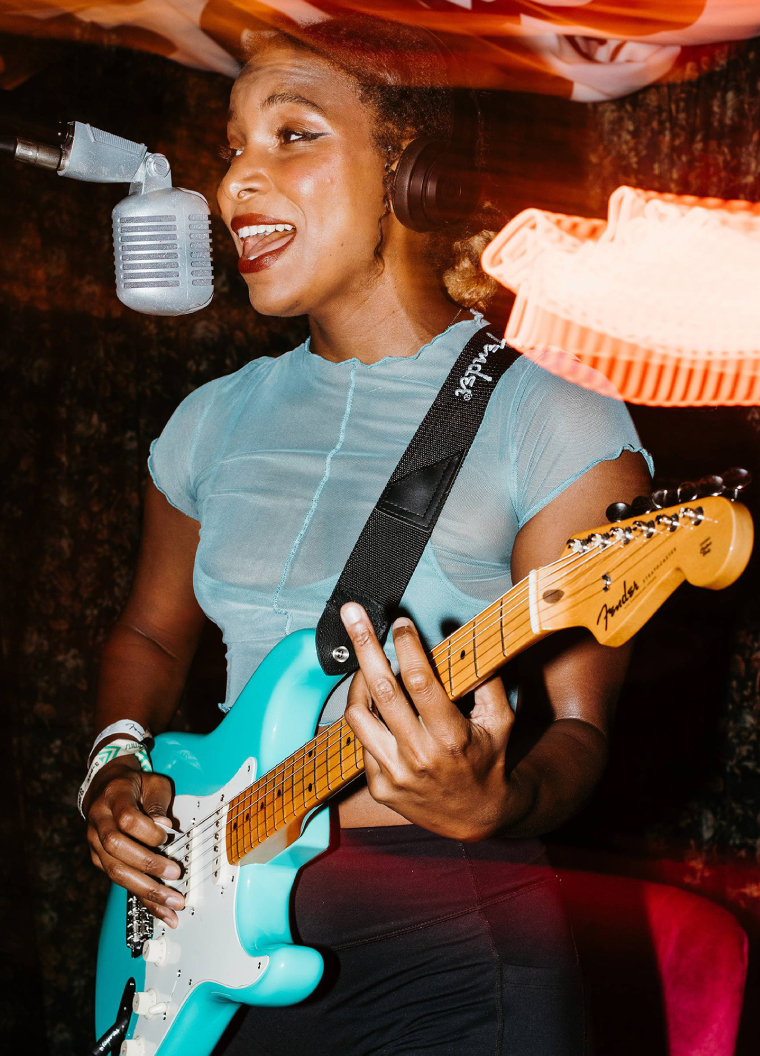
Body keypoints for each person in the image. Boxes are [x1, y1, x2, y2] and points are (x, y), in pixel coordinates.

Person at [83, 16, 652, 1055]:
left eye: (291, 135)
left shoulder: (552, 417)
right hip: (199, 942)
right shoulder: (212, 416)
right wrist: (116, 771)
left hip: (450, 945)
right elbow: (152, 640)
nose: (234, 185)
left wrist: (499, 797)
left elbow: (581, 729)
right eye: (231, 148)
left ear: (411, 168)